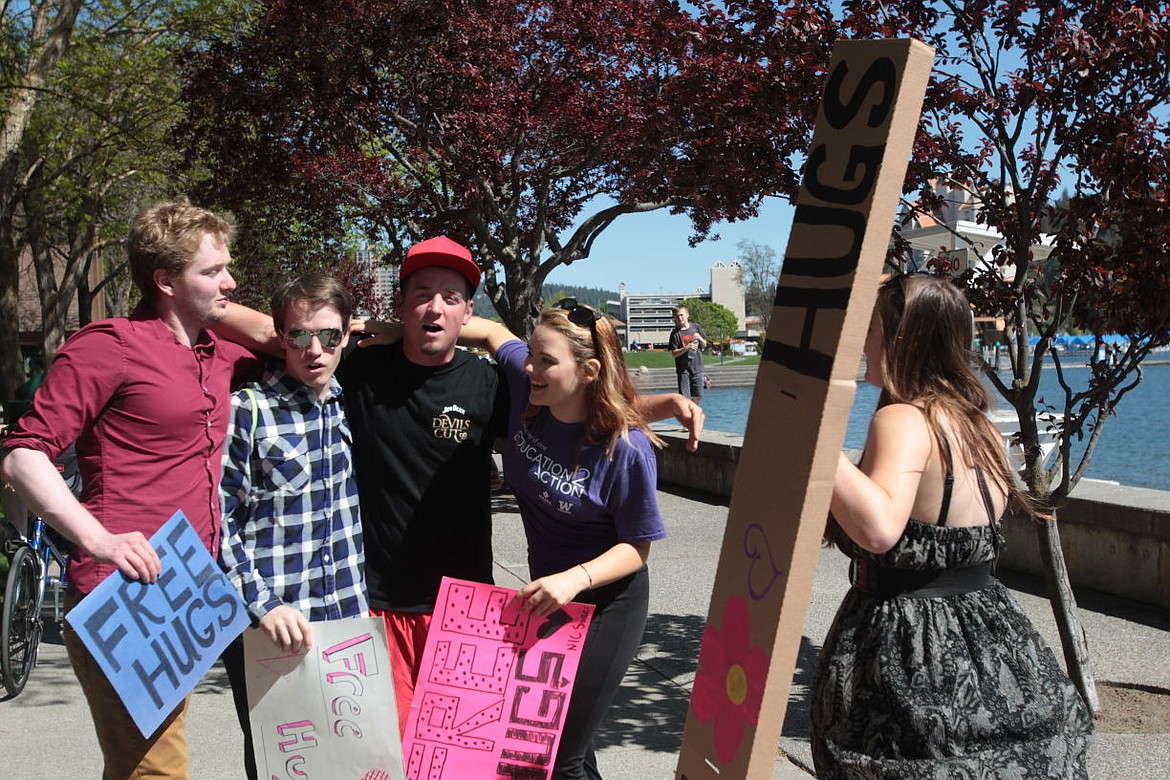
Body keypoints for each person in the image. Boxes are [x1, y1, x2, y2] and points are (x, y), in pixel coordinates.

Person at [215, 236, 704, 737]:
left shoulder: (492, 383)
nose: (434, 307)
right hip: (373, 605)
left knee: (464, 758)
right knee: (388, 757)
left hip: (468, 608)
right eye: (422, 294)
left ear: (467, 312)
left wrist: (665, 403)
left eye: (450, 297)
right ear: (400, 304)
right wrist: (193, 297)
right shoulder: (354, 367)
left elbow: (575, 404)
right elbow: (278, 331)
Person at [0, 198, 259, 778]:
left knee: (141, 764)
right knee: (155, 770)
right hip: (122, 590)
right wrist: (100, 540)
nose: (231, 282)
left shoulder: (220, 354)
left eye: (227, 266)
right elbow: (22, 455)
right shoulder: (108, 345)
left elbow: (300, 339)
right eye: (212, 271)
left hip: (192, 591)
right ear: (164, 280)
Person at [811, 273, 1093, 778]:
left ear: (903, 338)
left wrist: (813, 435)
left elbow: (878, 530)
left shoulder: (902, 420)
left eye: (872, 328)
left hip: (908, 638)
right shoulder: (979, 424)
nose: (864, 342)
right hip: (989, 628)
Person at [456, 300, 666, 779]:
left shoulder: (625, 448)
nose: (531, 366)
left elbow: (638, 547)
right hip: (551, 602)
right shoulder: (528, 388)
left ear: (589, 370)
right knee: (555, 747)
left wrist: (574, 579)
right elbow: (489, 331)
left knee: (558, 757)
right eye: (531, 354)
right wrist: (375, 328)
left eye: (546, 360)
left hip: (607, 608)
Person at [218, 272, 367, 780]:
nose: (314, 349)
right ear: (280, 335)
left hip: (347, 621)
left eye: (329, 336)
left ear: (347, 335)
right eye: (300, 335)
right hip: (271, 628)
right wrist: (262, 605)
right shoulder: (248, 411)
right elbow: (218, 523)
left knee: (352, 761)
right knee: (279, 763)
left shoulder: (354, 404)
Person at [669, 305, 707, 402]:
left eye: (681, 315)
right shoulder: (675, 334)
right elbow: (674, 353)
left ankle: (693, 409)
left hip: (697, 367)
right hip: (683, 369)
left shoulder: (696, 327)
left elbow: (704, 345)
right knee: (684, 398)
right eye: (677, 316)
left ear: (687, 315)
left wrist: (700, 338)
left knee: (698, 395)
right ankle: (688, 413)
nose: (680, 318)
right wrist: (686, 348)